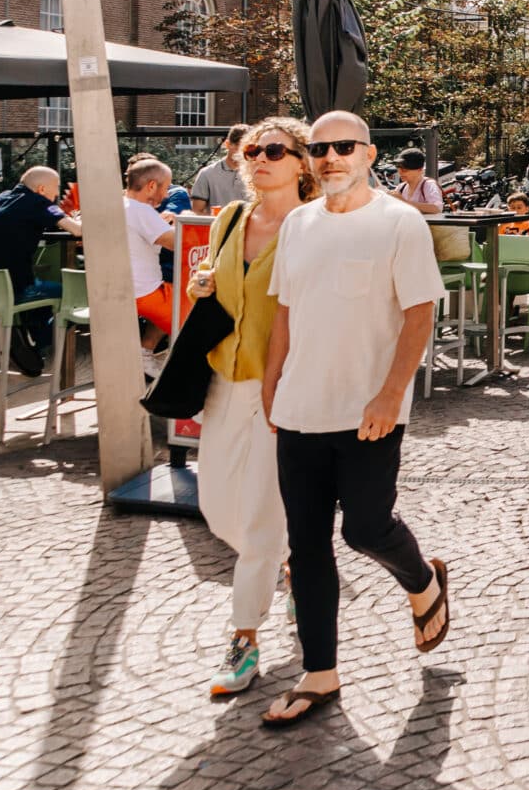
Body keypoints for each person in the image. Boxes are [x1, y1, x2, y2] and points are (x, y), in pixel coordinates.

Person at [259, 111, 449, 727]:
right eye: (319, 148)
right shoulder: (298, 225)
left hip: (369, 411)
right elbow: (285, 311)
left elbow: (419, 314)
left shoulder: (399, 223)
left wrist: (391, 395)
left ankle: (423, 582)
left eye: (344, 146)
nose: (330, 156)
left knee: (365, 530)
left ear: (369, 154)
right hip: (299, 409)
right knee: (307, 545)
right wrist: (271, 382)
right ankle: (321, 674)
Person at [187, 116, 312, 698]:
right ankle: (288, 565)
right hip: (221, 376)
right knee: (215, 507)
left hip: (280, 388)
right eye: (252, 150)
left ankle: (244, 637)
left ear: (302, 162)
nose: (258, 158)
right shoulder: (230, 218)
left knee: (260, 514)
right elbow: (213, 281)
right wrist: (203, 286)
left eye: (274, 150)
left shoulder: (313, 228)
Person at [0, 166, 81, 375]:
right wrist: (79, 219)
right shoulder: (38, 202)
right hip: (17, 288)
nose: (56, 194)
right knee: (76, 297)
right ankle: (36, 344)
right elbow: (77, 230)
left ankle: (28, 339)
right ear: (41, 189)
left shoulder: (1, 198)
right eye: (55, 188)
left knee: (42, 296)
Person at [123, 156, 180, 378]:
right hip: (144, 294)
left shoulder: (118, 205)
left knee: (177, 291)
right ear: (151, 186)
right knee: (199, 319)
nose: (166, 195)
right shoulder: (142, 210)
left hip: (118, 292)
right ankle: (179, 381)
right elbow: (176, 244)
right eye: (165, 188)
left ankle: (145, 354)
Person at [190, 124, 250, 214]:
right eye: (238, 145)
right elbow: (197, 212)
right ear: (227, 144)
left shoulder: (258, 174)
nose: (242, 151)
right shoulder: (207, 174)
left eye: (247, 147)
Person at [392, 149, 444, 216]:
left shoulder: (428, 185)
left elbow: (437, 208)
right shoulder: (401, 187)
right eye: (398, 168)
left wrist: (404, 202)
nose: (400, 172)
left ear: (420, 169)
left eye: (405, 170)